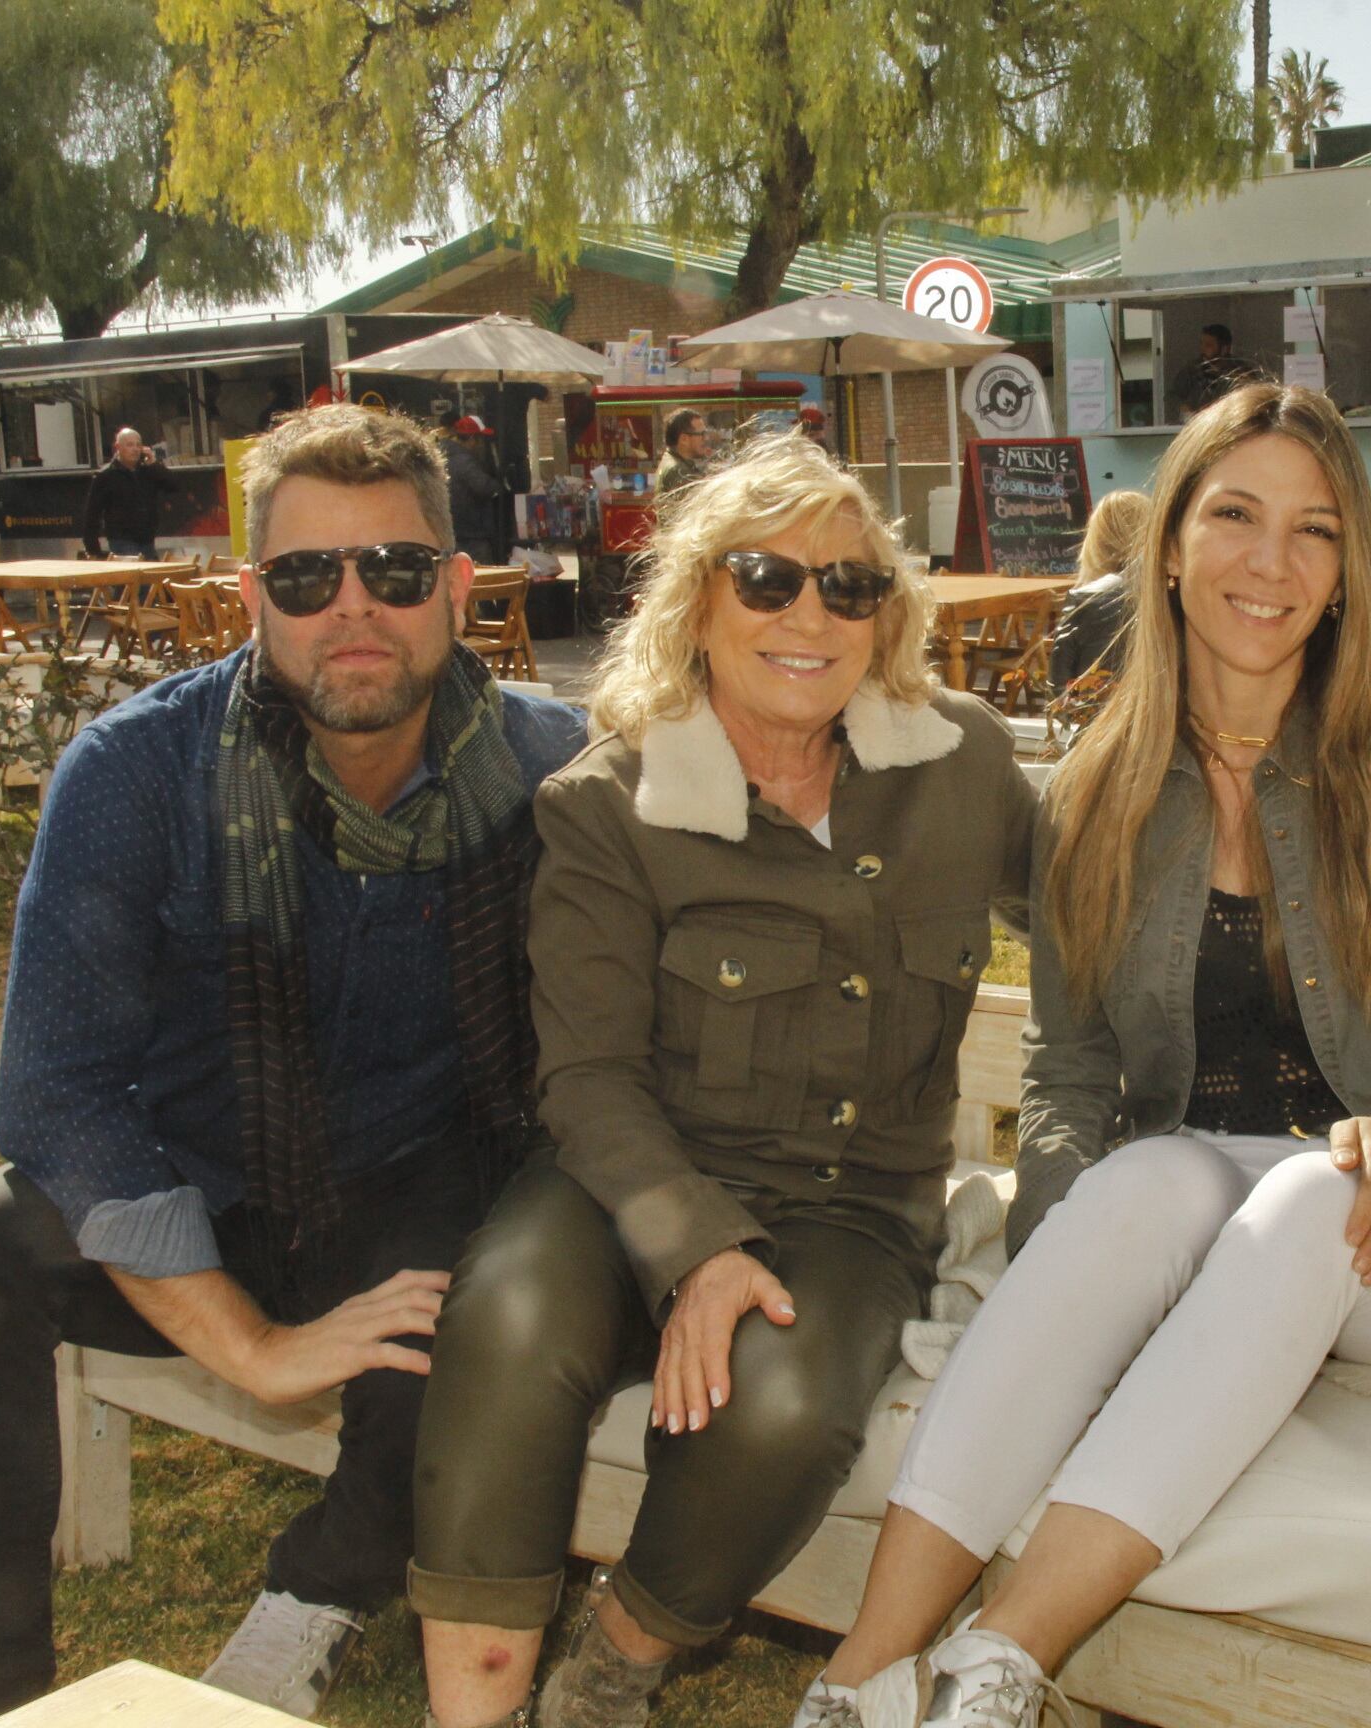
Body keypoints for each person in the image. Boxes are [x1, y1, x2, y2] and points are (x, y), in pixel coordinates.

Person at [802, 383, 1371, 1727]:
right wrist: (1064, 1252)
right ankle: (863, 1679)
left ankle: (1001, 1662)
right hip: (1198, 1216)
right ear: (1166, 548)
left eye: (1314, 532)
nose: (1271, 563)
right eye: (1235, 516)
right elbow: (1071, 1077)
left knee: (1307, 1189)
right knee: (1139, 1182)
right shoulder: (1097, 789)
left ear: (1345, 573)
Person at [0, 404, 584, 1728]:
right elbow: (58, 1096)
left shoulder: (551, 772)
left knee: (476, 1304)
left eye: (393, 572)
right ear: (247, 598)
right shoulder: (142, 776)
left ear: (456, 588)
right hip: (197, 1179)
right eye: (304, 577)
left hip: (420, 1181)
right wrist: (254, 1345)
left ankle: (319, 1590)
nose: (353, 611)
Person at [407, 431, 1036, 1728]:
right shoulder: (610, 804)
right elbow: (584, 1077)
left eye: (850, 588)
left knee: (788, 1403)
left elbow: (1101, 915)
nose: (811, 615)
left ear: (887, 615)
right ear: (698, 599)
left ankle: (612, 1669)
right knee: (512, 1320)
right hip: (631, 1175)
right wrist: (698, 1252)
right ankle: (470, 1712)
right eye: (767, 580)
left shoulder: (961, 764)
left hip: (851, 1206)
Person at [1045, 490, 1153, 719]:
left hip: (1097, 731)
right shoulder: (1177, 592)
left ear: (1095, 541)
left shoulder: (1085, 599)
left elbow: (1059, 698)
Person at [79, 426, 184, 559]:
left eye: (138, 445)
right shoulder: (106, 476)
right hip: (121, 542)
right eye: (129, 445)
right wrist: (93, 549)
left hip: (147, 540)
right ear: (118, 447)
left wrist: (154, 464)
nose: (135, 449)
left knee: (152, 577)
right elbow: (92, 514)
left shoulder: (148, 471)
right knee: (135, 578)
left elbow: (174, 486)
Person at [442, 415, 510, 566]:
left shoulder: (443, 455)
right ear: (472, 438)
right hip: (472, 533)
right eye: (480, 439)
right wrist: (499, 486)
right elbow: (483, 487)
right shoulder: (465, 461)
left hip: (452, 530)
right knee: (483, 577)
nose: (481, 445)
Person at [1169, 324, 1261, 417]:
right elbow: (1172, 396)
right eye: (1201, 344)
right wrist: (1183, 408)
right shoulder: (1192, 369)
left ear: (1224, 349)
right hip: (1200, 424)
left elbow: (1254, 399)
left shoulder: (1241, 372)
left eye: (1209, 345)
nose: (1203, 349)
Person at [655, 408, 715, 500]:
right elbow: (702, 504)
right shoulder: (677, 470)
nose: (705, 438)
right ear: (684, 439)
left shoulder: (672, 461)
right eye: (701, 434)